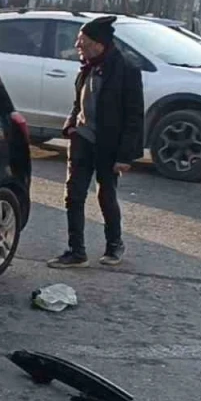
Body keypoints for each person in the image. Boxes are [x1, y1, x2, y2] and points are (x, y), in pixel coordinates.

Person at [48, 16, 144, 269]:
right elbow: (78, 101)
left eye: (83, 41)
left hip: (108, 144)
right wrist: (71, 125)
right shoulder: (87, 66)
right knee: (73, 195)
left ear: (99, 44)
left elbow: (134, 116)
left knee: (106, 194)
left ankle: (114, 244)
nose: (78, 46)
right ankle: (76, 252)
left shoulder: (126, 70)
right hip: (82, 138)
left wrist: (124, 156)